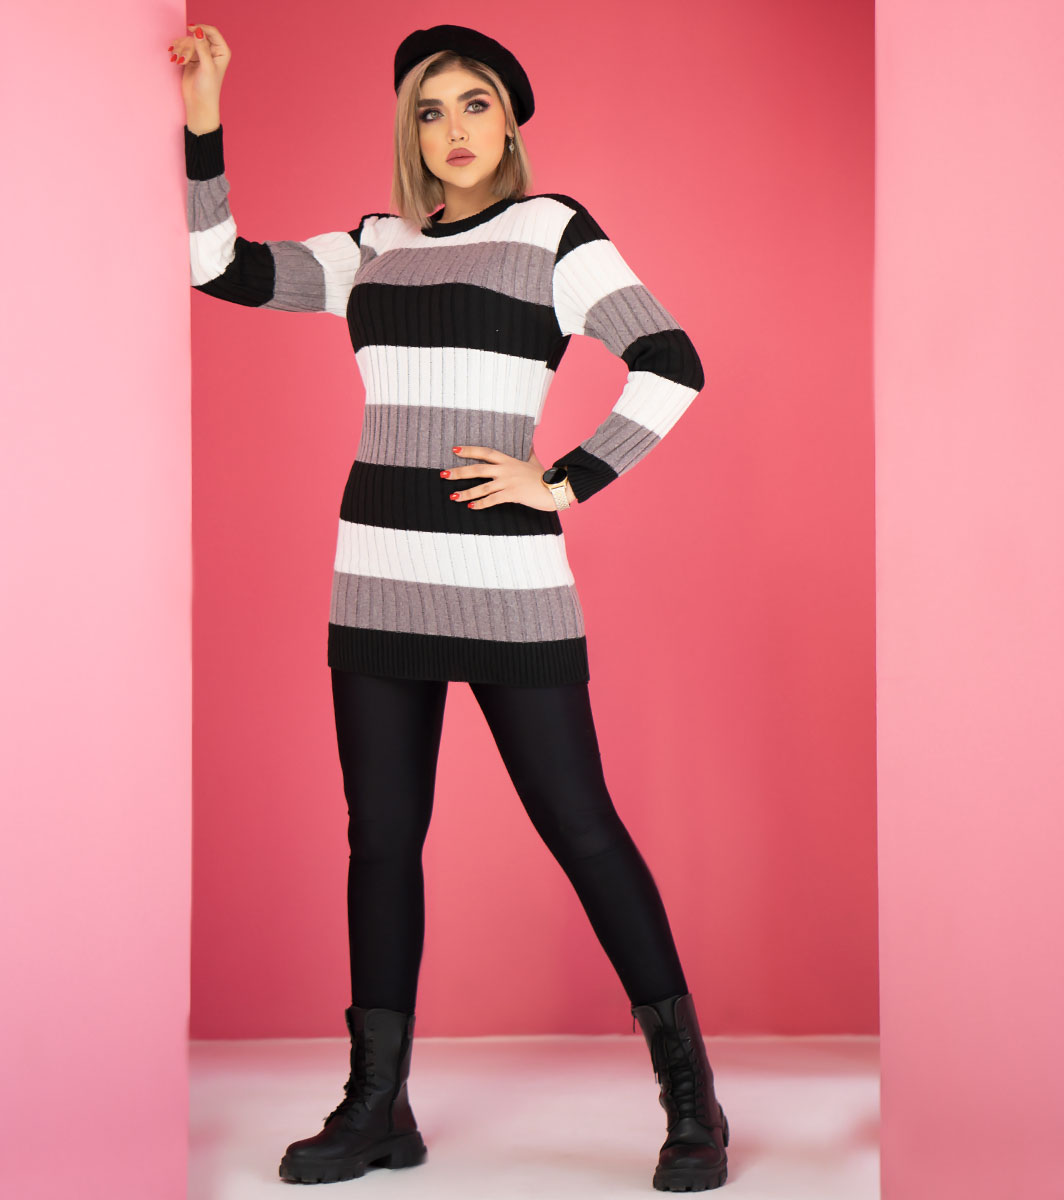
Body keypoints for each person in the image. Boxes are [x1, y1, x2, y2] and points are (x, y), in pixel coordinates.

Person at [170, 21, 729, 1192]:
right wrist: (205, 118)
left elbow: (671, 360)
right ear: (409, 133)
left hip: (507, 583)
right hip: (377, 576)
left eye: (476, 104)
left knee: (581, 828)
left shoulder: (554, 232)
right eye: (431, 110)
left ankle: (691, 1098)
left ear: (510, 121)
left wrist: (563, 479)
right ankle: (377, 1105)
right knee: (380, 839)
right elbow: (217, 266)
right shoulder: (372, 247)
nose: (456, 129)